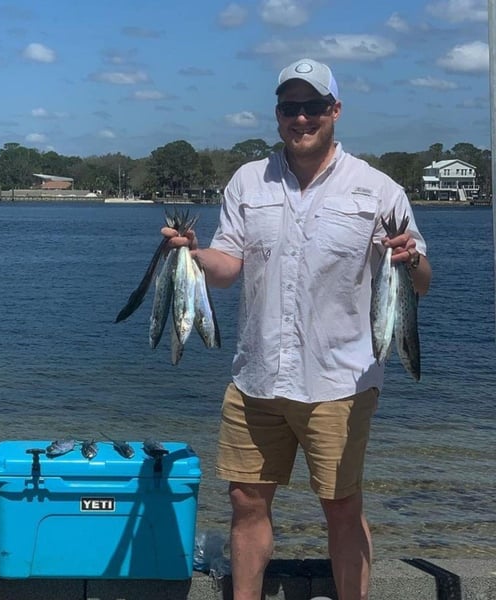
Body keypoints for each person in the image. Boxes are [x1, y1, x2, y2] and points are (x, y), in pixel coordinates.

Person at [164, 59, 432, 599]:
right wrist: (194, 255)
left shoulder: (379, 191)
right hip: (256, 377)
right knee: (246, 500)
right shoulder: (247, 180)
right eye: (290, 107)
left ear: (335, 110)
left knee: (341, 504)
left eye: (313, 106)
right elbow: (228, 266)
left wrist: (409, 259)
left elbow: (420, 282)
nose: (302, 117)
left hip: (341, 380)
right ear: (278, 115)